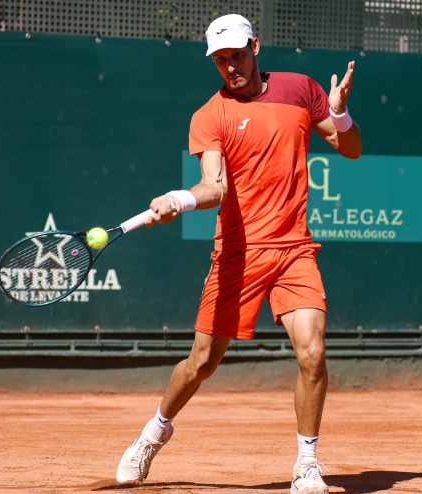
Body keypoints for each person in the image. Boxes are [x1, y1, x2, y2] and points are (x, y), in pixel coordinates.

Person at [115, 13, 361, 494]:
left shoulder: (300, 89)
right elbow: (214, 187)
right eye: (220, 60)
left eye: (237, 55)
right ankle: (155, 432)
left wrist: (340, 112)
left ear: (256, 46)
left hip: (293, 249)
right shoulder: (209, 116)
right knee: (202, 363)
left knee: (312, 353)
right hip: (238, 256)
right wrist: (180, 199)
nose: (230, 67)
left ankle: (307, 464)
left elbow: (348, 148)